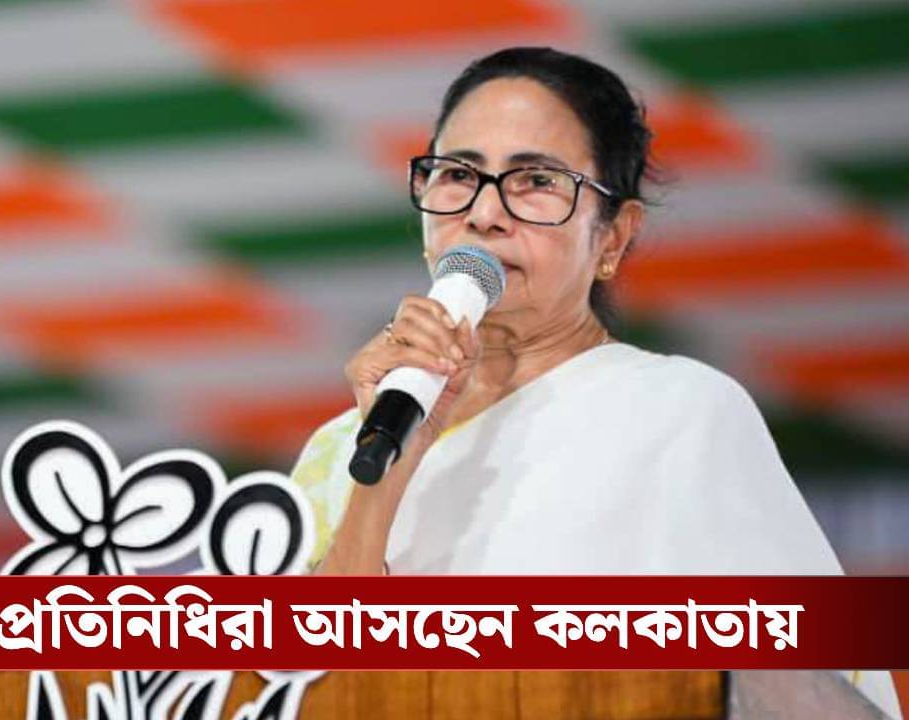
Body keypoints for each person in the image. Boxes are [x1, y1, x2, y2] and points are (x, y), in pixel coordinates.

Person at [289, 47, 901, 719]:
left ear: (613, 237)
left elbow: (816, 690)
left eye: (536, 181)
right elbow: (295, 684)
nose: (484, 213)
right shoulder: (343, 444)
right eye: (458, 174)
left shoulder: (676, 411)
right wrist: (383, 474)